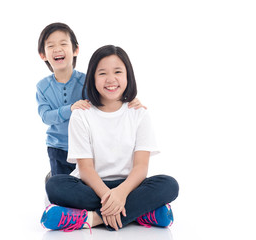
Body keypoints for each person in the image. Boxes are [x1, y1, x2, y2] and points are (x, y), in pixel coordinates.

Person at [41, 45, 179, 232]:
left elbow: (140, 168)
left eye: (117, 72)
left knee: (169, 185)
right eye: (102, 73)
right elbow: (86, 170)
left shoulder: (138, 114)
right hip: (91, 186)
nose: (111, 79)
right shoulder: (82, 115)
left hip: (129, 186)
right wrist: (109, 196)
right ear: (92, 78)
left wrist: (121, 194)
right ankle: (142, 213)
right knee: (55, 185)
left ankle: (92, 218)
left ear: (127, 76)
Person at [36, 23, 144, 178]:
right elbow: (45, 116)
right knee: (60, 184)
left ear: (75, 50)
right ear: (43, 55)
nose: (57, 48)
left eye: (63, 43)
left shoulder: (86, 80)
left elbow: (104, 98)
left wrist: (129, 100)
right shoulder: (42, 86)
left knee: (87, 181)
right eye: (51, 45)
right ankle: (52, 177)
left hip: (87, 146)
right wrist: (71, 108)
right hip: (58, 146)